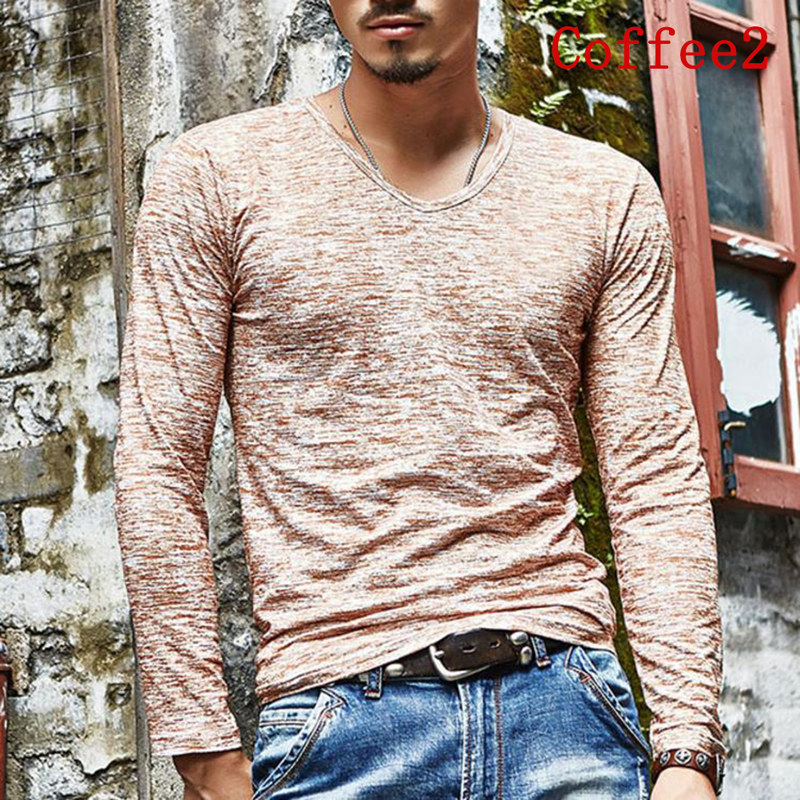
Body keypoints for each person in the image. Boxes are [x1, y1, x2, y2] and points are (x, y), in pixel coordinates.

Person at [112, 1, 728, 798]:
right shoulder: (214, 176)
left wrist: (687, 750)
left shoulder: (604, 194)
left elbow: (654, 476)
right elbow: (159, 465)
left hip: (566, 715)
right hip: (336, 725)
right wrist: (203, 751)